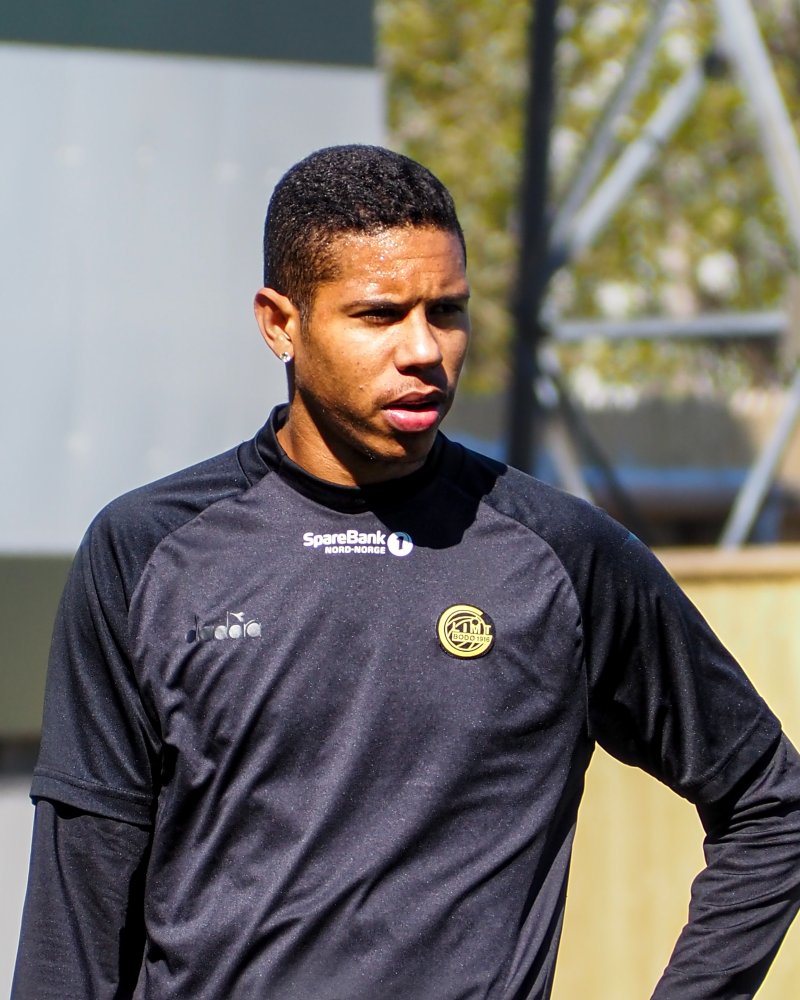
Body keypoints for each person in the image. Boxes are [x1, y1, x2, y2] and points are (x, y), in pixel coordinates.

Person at [12, 144, 800, 1000]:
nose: (424, 349)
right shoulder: (146, 549)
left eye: (449, 311)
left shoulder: (564, 555)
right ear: (280, 321)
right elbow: (78, 907)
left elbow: (770, 802)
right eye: (380, 315)